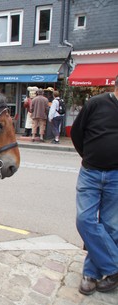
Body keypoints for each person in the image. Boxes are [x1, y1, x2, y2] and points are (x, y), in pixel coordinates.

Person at [71, 75, 118, 296]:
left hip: (117, 177)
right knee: (85, 221)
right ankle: (115, 267)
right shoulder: (96, 104)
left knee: (110, 227)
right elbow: (77, 133)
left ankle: (91, 274)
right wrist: (90, 156)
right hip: (90, 173)